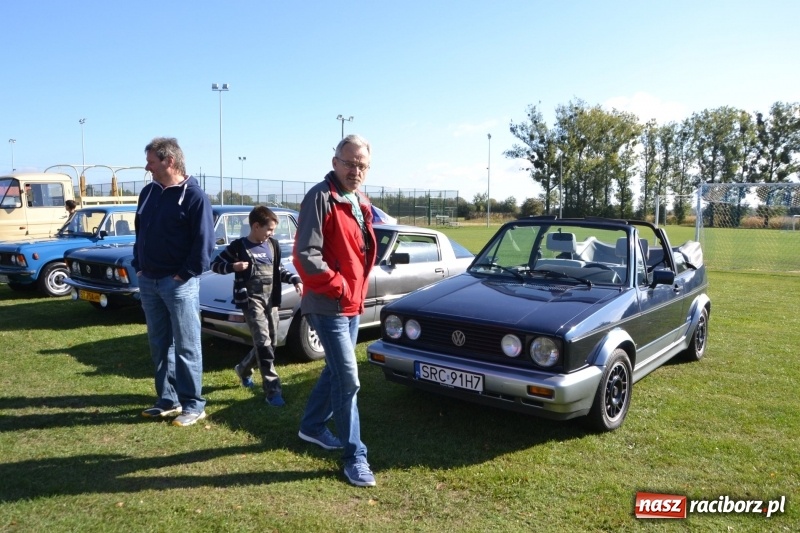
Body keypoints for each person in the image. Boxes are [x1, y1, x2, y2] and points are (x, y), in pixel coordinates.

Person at [293, 134, 378, 487]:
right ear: (335, 162)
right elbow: (305, 255)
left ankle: (311, 427)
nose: (355, 170)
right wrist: (340, 284)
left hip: (352, 304)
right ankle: (354, 456)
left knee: (333, 372)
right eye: (349, 163)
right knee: (349, 380)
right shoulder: (320, 196)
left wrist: (354, 287)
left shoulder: (358, 199)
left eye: (362, 165)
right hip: (329, 303)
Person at [132, 137, 215, 427]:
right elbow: (140, 231)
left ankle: (194, 404)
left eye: (152, 162)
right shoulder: (148, 193)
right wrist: (139, 266)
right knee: (159, 344)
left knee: (186, 345)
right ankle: (168, 400)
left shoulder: (194, 196)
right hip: (149, 281)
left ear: (169, 161)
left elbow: (204, 243)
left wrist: (183, 274)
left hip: (178, 284)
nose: (147, 167)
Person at [210, 206, 303, 406]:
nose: (272, 233)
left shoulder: (273, 245)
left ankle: (243, 368)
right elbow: (215, 265)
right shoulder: (238, 247)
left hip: (272, 301)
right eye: (269, 229)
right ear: (256, 226)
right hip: (251, 300)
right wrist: (232, 267)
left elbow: (279, 271)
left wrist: (295, 279)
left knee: (272, 342)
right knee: (263, 343)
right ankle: (272, 390)